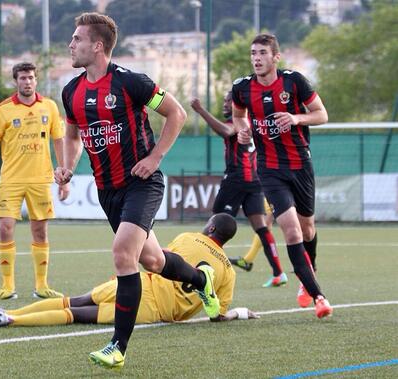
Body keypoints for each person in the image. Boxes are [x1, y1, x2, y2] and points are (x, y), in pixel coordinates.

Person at [54, 12, 219, 370]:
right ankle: (200, 279)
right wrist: (67, 166)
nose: (71, 44)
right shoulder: (71, 91)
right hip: (107, 190)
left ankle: (118, 347)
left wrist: (156, 156)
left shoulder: (131, 82)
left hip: (140, 183)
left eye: (77, 39)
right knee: (154, 261)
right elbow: (72, 135)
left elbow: (176, 113)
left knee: (122, 255)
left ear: (98, 46)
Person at [0, 213, 259, 329]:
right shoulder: (228, 272)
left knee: (73, 301)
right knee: (75, 316)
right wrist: (240, 313)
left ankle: (12, 312)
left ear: (210, 228)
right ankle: (11, 320)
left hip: (137, 283)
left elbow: (160, 260)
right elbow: (216, 315)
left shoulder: (187, 238)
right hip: (153, 308)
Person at [232, 33, 332, 318]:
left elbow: (321, 114)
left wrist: (296, 118)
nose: (257, 59)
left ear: (276, 57)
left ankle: (306, 275)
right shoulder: (242, 88)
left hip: (301, 165)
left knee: (308, 228)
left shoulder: (293, 82)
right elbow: (239, 116)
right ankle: (318, 296)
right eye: (253, 54)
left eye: (262, 53)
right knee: (291, 229)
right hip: (270, 168)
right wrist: (243, 130)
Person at [0, 62, 70, 301]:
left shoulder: (49, 107)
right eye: (23, 78)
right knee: (5, 227)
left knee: (40, 231)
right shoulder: (3, 110)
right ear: (16, 81)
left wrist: (63, 178)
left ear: (36, 80)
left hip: (41, 179)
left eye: (31, 77)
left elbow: (60, 140)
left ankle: (41, 286)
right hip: (11, 179)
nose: (27, 82)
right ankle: (7, 286)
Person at [191, 93, 287, 288]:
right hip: (254, 181)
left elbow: (227, 131)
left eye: (229, 101)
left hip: (237, 179)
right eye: (225, 101)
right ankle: (278, 272)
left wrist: (201, 110)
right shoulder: (255, 122)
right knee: (261, 227)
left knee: (216, 224)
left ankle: (206, 270)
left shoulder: (239, 121)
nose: (226, 104)